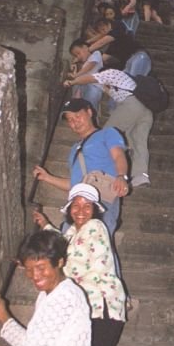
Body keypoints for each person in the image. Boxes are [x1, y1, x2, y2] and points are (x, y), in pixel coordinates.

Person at [34, 183, 127, 346]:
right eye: (76, 205)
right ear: (69, 209)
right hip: (87, 310)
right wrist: (47, 225)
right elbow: (64, 246)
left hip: (102, 308)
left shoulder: (95, 227)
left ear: (95, 210)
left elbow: (74, 266)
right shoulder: (74, 231)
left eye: (87, 206)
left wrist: (41, 267)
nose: (81, 211)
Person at [33, 97, 130, 236]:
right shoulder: (74, 150)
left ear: (89, 112)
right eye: (70, 120)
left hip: (103, 198)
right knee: (70, 241)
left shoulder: (107, 133)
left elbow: (119, 156)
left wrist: (121, 176)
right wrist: (47, 178)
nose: (74, 122)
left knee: (100, 241)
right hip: (78, 201)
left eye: (77, 116)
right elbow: (74, 184)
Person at [64, 70, 153, 189]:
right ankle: (140, 176)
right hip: (146, 110)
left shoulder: (111, 73)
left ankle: (108, 174)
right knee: (138, 141)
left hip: (132, 105)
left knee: (103, 137)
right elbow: (100, 86)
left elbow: (90, 78)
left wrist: (72, 82)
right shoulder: (122, 83)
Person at [86, 17, 152, 77]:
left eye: (103, 29)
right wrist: (86, 43)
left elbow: (102, 41)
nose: (103, 32)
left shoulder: (117, 26)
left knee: (134, 81)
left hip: (138, 56)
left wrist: (87, 50)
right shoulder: (113, 43)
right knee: (125, 82)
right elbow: (105, 55)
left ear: (104, 24)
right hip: (128, 61)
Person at [66, 37, 104, 113]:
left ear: (85, 47)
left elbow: (90, 67)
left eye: (78, 53)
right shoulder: (83, 63)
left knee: (90, 106)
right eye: (76, 56)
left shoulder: (96, 54)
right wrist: (74, 65)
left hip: (94, 85)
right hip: (82, 85)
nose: (78, 56)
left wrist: (76, 75)